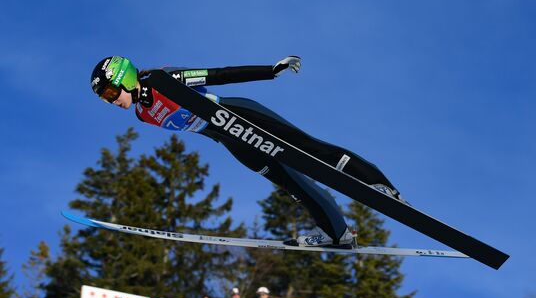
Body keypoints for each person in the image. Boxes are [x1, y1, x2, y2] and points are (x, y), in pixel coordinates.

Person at [90, 56, 405, 246]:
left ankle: (379, 185)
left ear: (125, 78)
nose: (111, 100)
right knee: (291, 184)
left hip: (241, 116)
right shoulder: (142, 114)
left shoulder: (163, 79)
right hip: (229, 140)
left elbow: (219, 75)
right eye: (105, 98)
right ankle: (338, 234)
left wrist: (269, 71)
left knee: (310, 151)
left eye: (109, 91)